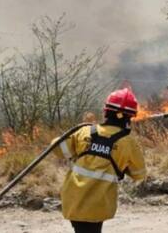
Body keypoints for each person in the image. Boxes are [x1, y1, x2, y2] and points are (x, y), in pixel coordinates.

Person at [52, 88, 146, 232]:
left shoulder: (85, 131)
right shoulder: (128, 143)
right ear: (129, 118)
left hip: (73, 199)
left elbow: (58, 149)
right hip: (98, 205)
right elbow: (139, 174)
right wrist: (123, 164)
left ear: (105, 111)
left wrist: (60, 139)